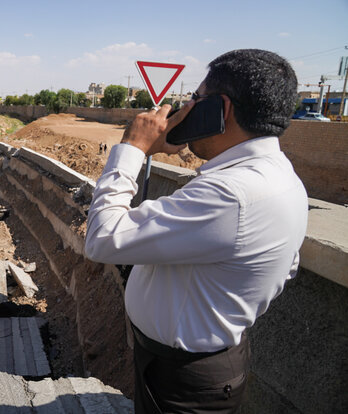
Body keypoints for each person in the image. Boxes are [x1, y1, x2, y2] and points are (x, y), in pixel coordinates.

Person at [85, 49, 308, 413]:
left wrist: (132, 149)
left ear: (221, 108)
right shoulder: (280, 177)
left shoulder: (231, 195)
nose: (185, 109)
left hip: (183, 379)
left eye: (194, 99)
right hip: (199, 364)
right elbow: (287, 267)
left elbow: (102, 238)